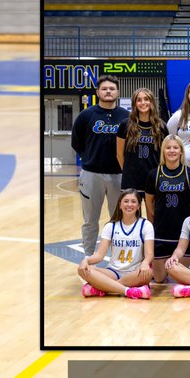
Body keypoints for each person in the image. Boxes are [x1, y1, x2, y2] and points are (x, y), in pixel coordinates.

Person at [72, 74, 129, 256]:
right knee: (90, 220)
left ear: (117, 92)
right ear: (98, 92)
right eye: (104, 89)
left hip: (118, 175)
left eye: (112, 89)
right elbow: (76, 142)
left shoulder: (126, 116)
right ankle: (88, 258)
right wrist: (88, 158)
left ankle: (118, 257)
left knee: (119, 219)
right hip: (91, 175)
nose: (108, 91)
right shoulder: (86, 115)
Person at [77, 189, 154, 300]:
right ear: (120, 205)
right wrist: (86, 261)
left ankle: (103, 287)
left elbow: (149, 254)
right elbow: (99, 255)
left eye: (133, 201)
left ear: (138, 206)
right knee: (85, 270)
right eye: (126, 201)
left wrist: (146, 263)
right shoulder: (111, 226)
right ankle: (128, 291)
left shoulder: (145, 225)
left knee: (148, 273)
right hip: (113, 272)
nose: (129, 204)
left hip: (134, 272)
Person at [144, 135, 190, 283]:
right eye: (168, 148)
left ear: (181, 151)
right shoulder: (154, 174)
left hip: (183, 233)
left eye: (175, 147)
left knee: (181, 278)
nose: (172, 151)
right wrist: (154, 215)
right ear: (163, 151)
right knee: (159, 279)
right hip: (162, 232)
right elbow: (148, 199)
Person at [116, 87, 164, 213]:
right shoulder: (125, 125)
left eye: (146, 99)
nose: (143, 103)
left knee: (153, 218)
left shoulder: (161, 126)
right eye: (139, 100)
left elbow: (164, 155)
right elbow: (119, 154)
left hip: (153, 177)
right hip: (131, 179)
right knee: (132, 218)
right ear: (134, 104)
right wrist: (128, 172)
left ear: (152, 102)